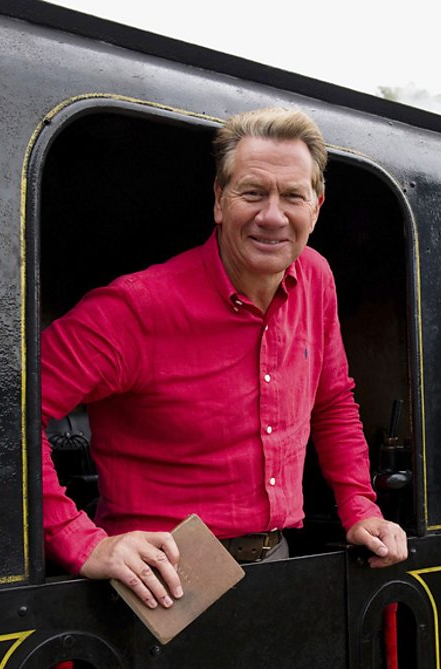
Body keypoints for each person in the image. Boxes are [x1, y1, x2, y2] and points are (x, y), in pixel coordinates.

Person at [40, 107, 408, 610]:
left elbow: (332, 401)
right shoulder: (135, 308)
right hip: (164, 583)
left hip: (276, 560)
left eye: (292, 196)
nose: (273, 216)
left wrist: (360, 507)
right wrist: (78, 539)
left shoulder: (316, 277)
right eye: (252, 193)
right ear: (219, 200)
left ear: (316, 207)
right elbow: (3, 413)